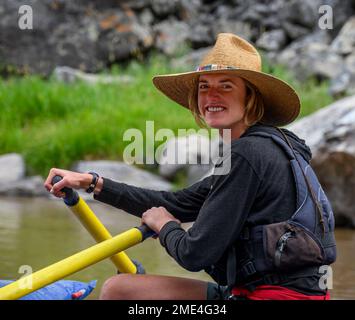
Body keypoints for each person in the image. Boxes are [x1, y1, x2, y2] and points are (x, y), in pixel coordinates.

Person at [44, 33, 336, 300]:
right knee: (123, 287)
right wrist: (93, 182)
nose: (211, 97)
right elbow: (178, 203)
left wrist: (165, 226)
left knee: (119, 292)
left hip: (273, 297)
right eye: (204, 87)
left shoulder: (248, 154)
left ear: (250, 98)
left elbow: (194, 253)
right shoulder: (266, 145)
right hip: (273, 293)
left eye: (226, 86)